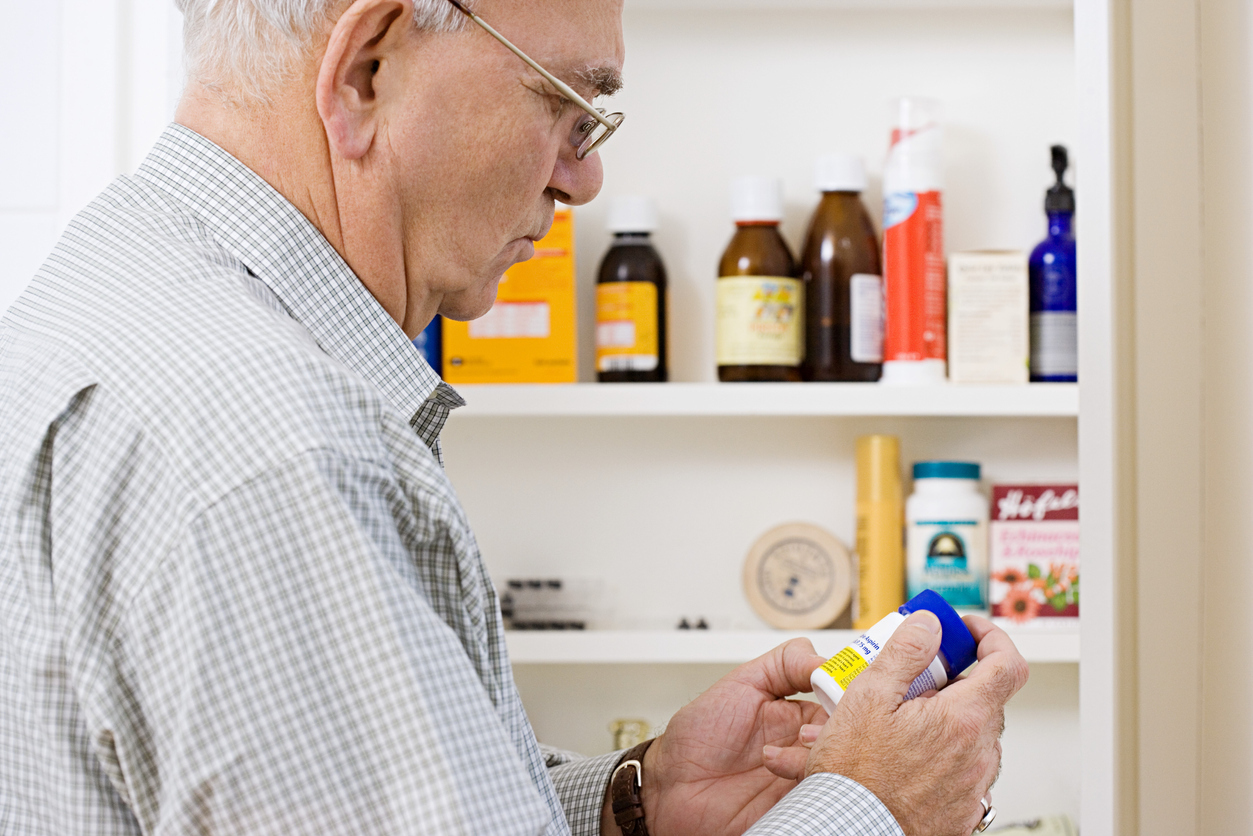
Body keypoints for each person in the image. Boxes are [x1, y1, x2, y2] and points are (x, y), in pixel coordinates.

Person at [0, 0, 1029, 833]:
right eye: (568, 106)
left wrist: (633, 799)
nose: (584, 176)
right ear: (368, 65)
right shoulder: (270, 439)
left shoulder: (119, 290)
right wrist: (872, 808)